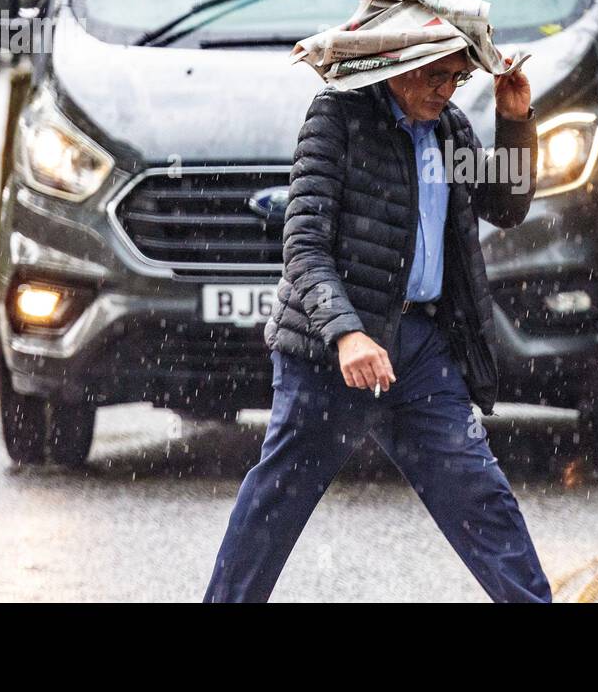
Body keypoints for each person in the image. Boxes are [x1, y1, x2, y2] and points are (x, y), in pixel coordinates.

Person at [203, 48, 552, 602]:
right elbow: (304, 246)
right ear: (401, 66)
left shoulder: (449, 129)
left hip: (419, 352)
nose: (447, 90)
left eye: (458, 78)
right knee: (277, 502)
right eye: (437, 76)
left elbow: (506, 205)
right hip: (329, 355)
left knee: (479, 494)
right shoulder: (338, 117)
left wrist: (515, 120)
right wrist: (347, 333)